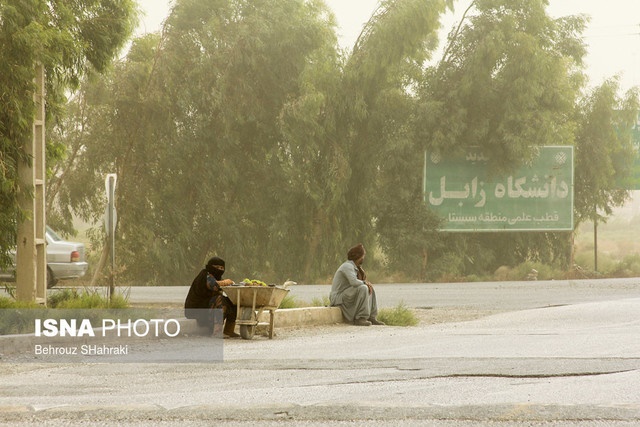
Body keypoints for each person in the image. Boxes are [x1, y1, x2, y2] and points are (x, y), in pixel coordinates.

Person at [330, 243, 385, 326]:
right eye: (363, 256)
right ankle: (360, 318)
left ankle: (372, 317)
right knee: (363, 287)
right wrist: (365, 283)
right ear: (359, 256)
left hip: (347, 294)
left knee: (370, 288)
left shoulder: (355, 267)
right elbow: (354, 282)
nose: (364, 258)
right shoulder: (347, 266)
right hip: (338, 297)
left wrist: (367, 284)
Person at [184, 256, 239, 338]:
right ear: (210, 267)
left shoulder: (217, 277)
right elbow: (213, 285)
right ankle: (217, 332)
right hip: (196, 308)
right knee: (220, 300)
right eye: (217, 267)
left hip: (207, 305)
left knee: (232, 301)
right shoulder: (205, 275)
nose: (219, 270)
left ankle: (229, 330)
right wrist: (225, 282)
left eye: (222, 268)